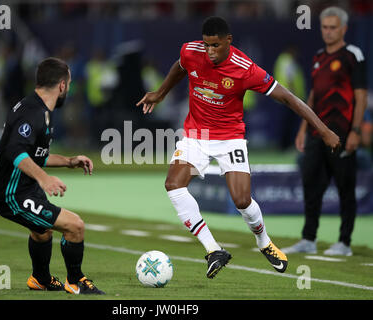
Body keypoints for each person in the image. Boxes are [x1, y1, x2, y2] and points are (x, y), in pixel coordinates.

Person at [136, 16, 340, 278]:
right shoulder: (191, 51)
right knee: (173, 185)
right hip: (196, 135)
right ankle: (213, 250)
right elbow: (180, 66)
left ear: (229, 41)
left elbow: (289, 99)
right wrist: (161, 92)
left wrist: (323, 131)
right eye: (207, 45)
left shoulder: (246, 69)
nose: (210, 52)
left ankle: (264, 242)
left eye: (216, 46)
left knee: (242, 200)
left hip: (229, 138)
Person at [0, 57, 105, 294]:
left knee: (43, 231)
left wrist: (69, 161)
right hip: (13, 193)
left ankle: (40, 279)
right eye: (69, 84)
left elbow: (35, 154)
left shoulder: (38, 108)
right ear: (62, 85)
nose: (69, 89)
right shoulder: (33, 113)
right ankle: (76, 282)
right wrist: (44, 178)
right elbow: (14, 150)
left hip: (24, 188)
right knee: (75, 226)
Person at [282, 7, 368, 256]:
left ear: (344, 29)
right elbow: (312, 96)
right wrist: (302, 128)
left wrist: (355, 131)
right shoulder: (318, 56)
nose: (328, 32)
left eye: (333, 27)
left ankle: (344, 242)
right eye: (324, 27)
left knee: (345, 187)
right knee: (311, 185)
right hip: (315, 134)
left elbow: (360, 96)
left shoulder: (353, 55)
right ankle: (308, 238)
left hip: (341, 134)